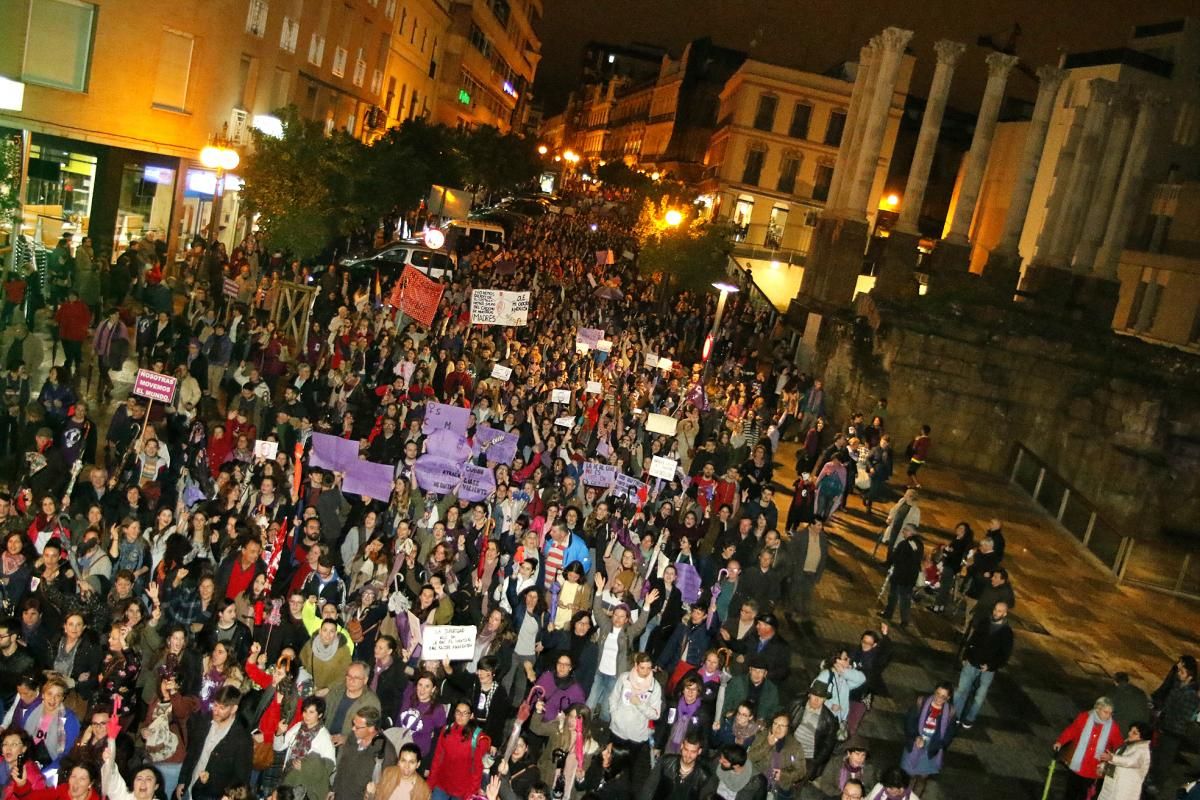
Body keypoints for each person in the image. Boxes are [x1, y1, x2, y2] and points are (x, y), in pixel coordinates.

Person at [176, 686, 252, 800]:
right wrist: (182, 780)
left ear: (234, 709)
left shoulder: (241, 739)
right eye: (215, 705)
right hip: (189, 787)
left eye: (221, 708)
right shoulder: (205, 721)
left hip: (213, 796)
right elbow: (192, 753)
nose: (215, 711)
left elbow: (241, 777)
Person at [954, 601, 1013, 730]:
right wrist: (966, 656)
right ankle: (955, 715)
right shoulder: (985, 622)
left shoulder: (1007, 633)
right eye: (995, 609)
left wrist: (991, 666)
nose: (996, 613)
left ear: (1005, 613)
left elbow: (1004, 655)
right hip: (972, 661)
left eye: (999, 611)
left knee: (979, 696)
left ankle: (970, 718)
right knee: (961, 690)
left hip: (988, 669)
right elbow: (973, 639)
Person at [1054, 697, 1124, 800]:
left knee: (1085, 795)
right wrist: (1060, 741)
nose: (1109, 716)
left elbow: (1119, 745)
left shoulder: (1113, 727)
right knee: (1071, 792)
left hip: (1094, 768)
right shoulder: (1084, 718)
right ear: (1097, 709)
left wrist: (1112, 757)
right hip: (1077, 764)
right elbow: (1072, 730)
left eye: (1111, 713)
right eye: (1106, 712)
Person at [1148, 655, 1198, 795]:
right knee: (1157, 754)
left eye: (1182, 672)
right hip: (1165, 726)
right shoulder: (1178, 685)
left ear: (1190, 676)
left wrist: (1166, 716)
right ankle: (1152, 778)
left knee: (1165, 759)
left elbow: (1183, 716)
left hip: (1174, 731)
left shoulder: (1191, 695)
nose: (1178, 673)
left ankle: (1157, 784)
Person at [899, 682, 956, 796]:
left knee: (922, 778)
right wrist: (916, 737)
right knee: (907, 776)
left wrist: (935, 745)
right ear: (934, 691)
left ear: (948, 698)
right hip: (915, 744)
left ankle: (915, 797)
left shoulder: (950, 712)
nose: (939, 698)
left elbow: (949, 735)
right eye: (938, 694)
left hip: (931, 748)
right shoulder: (921, 702)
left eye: (943, 697)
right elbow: (909, 722)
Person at [427, 701, 491, 800]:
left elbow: (477, 769)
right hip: (442, 783)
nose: (461, 716)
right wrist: (430, 784)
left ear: (471, 716)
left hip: (463, 790)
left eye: (465, 713)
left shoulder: (478, 738)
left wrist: (471, 794)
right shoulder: (446, 730)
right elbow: (437, 759)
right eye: (458, 712)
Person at [331, 707, 396, 800]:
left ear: (371, 728)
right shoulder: (353, 736)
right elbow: (342, 765)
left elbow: (385, 788)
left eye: (357, 727)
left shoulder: (385, 752)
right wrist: (333, 790)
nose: (353, 728)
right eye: (353, 724)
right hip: (340, 794)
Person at [638, 732, 715, 800]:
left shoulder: (704, 776)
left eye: (693, 752)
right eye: (686, 749)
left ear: (699, 751)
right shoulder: (665, 762)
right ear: (681, 746)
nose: (688, 755)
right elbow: (649, 787)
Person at [746, 712, 805, 800]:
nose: (778, 728)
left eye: (782, 725)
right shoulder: (763, 735)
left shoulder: (795, 746)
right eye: (775, 724)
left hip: (780, 784)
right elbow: (750, 757)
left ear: (788, 728)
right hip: (759, 779)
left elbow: (801, 771)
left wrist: (783, 775)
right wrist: (767, 744)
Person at [1095, 721, 1151, 800]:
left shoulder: (1142, 751)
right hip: (1112, 786)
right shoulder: (1127, 745)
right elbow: (1117, 761)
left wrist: (1112, 758)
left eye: (1134, 733)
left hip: (1124, 791)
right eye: (1130, 730)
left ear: (1142, 737)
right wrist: (1102, 767)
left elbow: (1130, 761)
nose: (1129, 733)